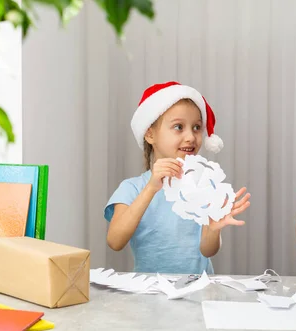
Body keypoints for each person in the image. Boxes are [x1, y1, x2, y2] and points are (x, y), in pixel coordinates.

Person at [104, 81, 250, 274]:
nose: (191, 136)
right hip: (148, 296)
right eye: (179, 127)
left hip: (198, 293)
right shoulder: (132, 188)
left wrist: (213, 228)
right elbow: (115, 241)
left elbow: (208, 251)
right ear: (149, 134)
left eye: (197, 127)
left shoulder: (204, 186)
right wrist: (151, 188)